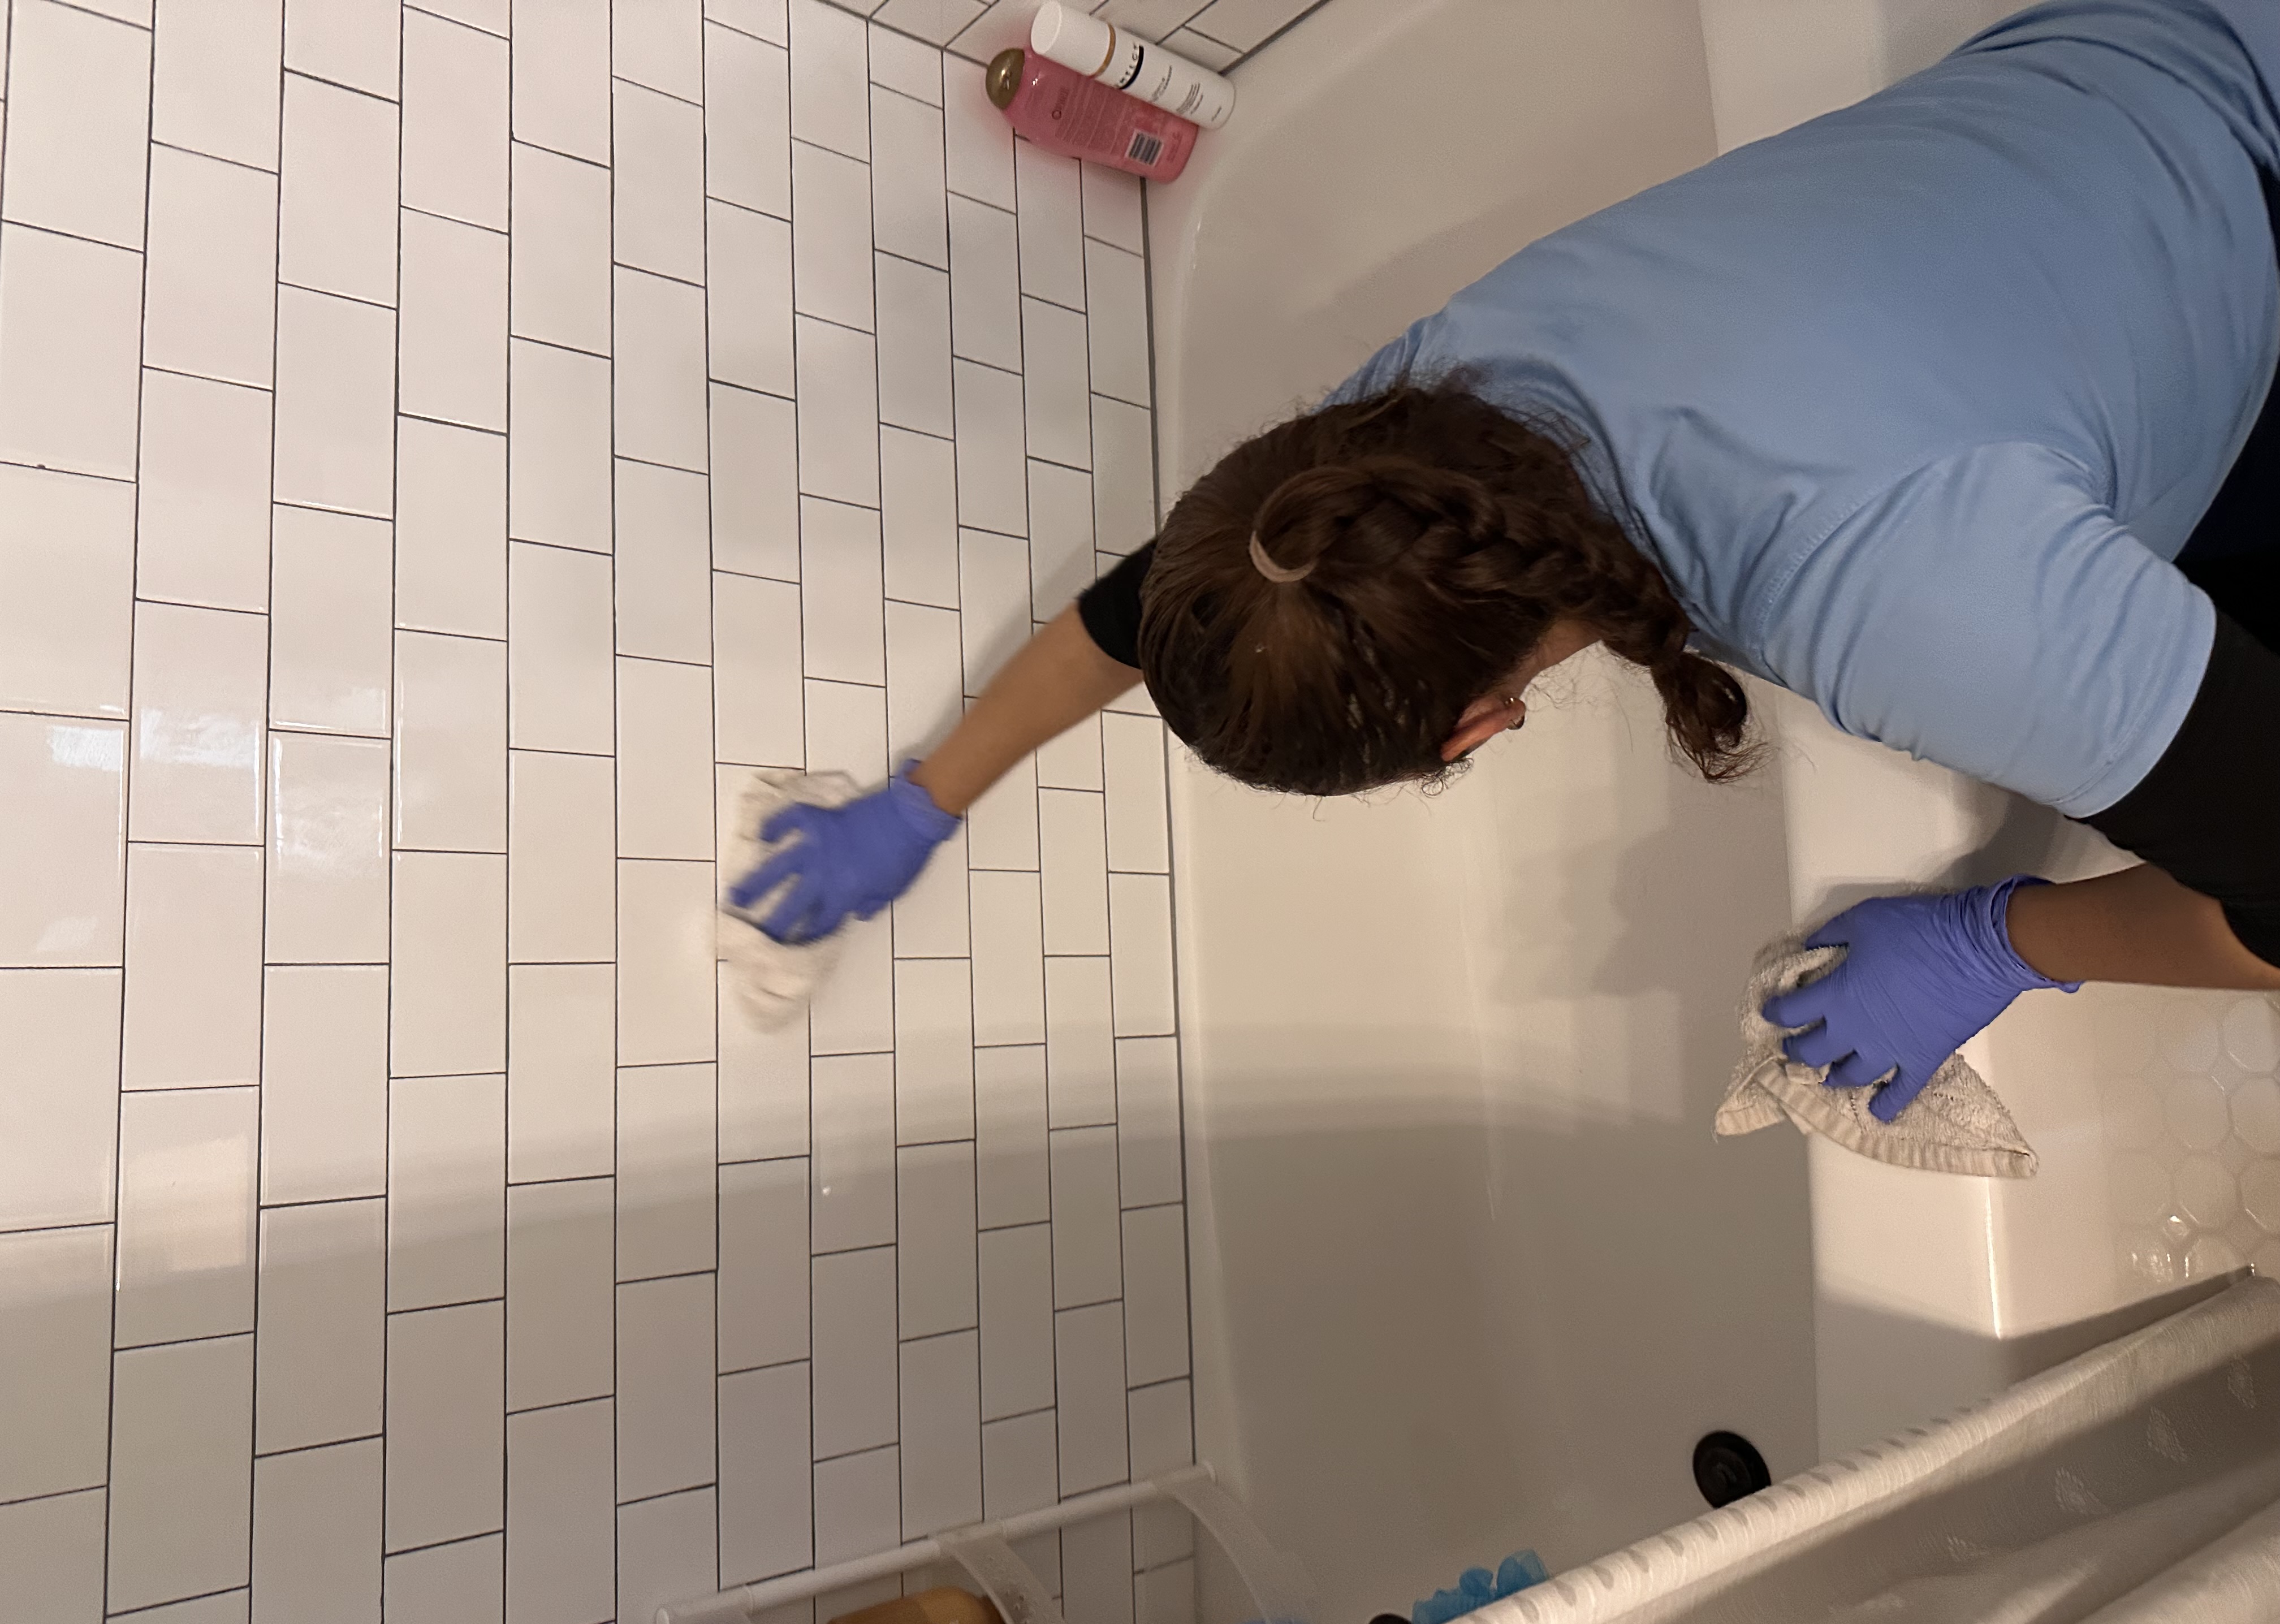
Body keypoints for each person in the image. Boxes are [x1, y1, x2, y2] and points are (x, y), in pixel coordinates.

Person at [733, 0, 2280, 1122]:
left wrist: (2004, 938)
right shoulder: (1432, 408)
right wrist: (924, 801)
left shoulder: (1907, 602)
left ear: (1481, 730)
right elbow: (1153, 606)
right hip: (2134, 59)